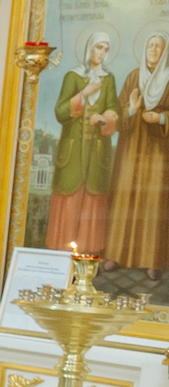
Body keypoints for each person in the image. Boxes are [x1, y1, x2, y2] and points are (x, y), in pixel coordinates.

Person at [48, 31, 117, 254]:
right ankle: (61, 254)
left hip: (96, 154)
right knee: (69, 198)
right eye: (99, 47)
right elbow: (60, 111)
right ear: (90, 48)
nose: (102, 53)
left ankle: (89, 258)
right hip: (73, 152)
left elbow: (114, 108)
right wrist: (83, 94)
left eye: (106, 49)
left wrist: (105, 117)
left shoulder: (108, 79)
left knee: (93, 202)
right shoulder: (73, 76)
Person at [107, 30, 169, 278]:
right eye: (150, 45)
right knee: (125, 198)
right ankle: (116, 254)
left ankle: (152, 259)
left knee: (153, 202)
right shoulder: (134, 77)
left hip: (158, 152)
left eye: (158, 46)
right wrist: (131, 110)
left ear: (164, 52)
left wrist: (162, 117)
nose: (153, 50)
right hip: (131, 148)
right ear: (144, 49)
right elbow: (120, 109)